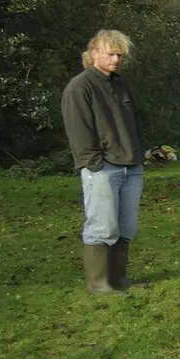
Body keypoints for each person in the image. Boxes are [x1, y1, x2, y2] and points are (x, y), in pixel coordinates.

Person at [61, 30, 145, 294]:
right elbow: (78, 130)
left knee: (126, 225)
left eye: (120, 54)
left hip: (131, 166)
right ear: (94, 52)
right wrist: (94, 163)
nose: (116, 59)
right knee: (102, 225)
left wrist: (141, 153)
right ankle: (98, 283)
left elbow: (136, 123)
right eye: (111, 53)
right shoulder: (80, 86)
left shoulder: (122, 84)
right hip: (102, 168)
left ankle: (118, 278)